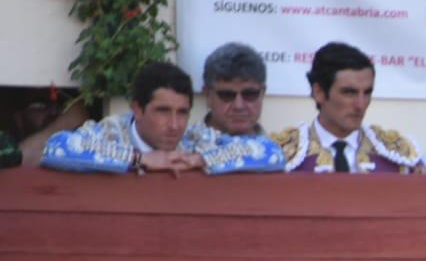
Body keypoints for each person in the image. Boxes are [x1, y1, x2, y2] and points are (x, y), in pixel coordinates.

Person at [40, 60, 284, 175]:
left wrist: (203, 159)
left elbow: (272, 152)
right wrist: (139, 158)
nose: (175, 125)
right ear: (137, 109)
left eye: (182, 112)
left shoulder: (195, 140)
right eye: (163, 111)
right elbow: (55, 147)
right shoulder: (112, 133)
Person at [272, 42, 421, 173]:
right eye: (349, 93)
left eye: (367, 93)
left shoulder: (399, 157)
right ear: (319, 93)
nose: (360, 105)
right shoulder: (277, 156)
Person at [200, 42, 271, 136]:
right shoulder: (182, 143)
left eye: (249, 94)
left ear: (262, 93)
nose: (239, 106)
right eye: (227, 95)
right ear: (208, 95)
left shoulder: (278, 144)